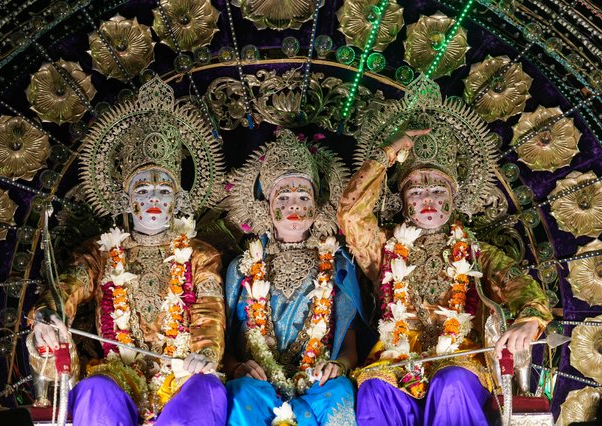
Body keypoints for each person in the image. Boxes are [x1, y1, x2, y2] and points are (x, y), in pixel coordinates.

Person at [337, 76, 553, 426]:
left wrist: (529, 320)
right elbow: (350, 212)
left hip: (461, 359)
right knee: (375, 388)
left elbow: (521, 286)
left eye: (438, 190)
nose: (428, 200)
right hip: (396, 360)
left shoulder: (477, 253)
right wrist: (386, 155)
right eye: (416, 192)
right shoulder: (384, 252)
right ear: (403, 202)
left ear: (454, 199)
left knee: (450, 384)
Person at [28, 77, 227, 425]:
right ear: (126, 198)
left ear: (178, 199)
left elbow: (209, 314)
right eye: (143, 188)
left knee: (207, 390)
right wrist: (48, 313)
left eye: (164, 190)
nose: (153, 198)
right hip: (119, 374)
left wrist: (204, 354)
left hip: (181, 374)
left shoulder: (200, 255)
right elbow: (68, 287)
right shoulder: (101, 253)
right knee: (94, 392)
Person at [223, 129, 367, 425]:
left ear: (318, 207)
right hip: (256, 384)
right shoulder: (240, 267)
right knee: (240, 393)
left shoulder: (338, 266)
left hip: (317, 383)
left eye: (303, 195)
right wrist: (237, 368)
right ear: (266, 205)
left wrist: (337, 366)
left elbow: (349, 345)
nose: (293, 205)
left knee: (339, 390)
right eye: (283, 195)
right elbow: (221, 341)